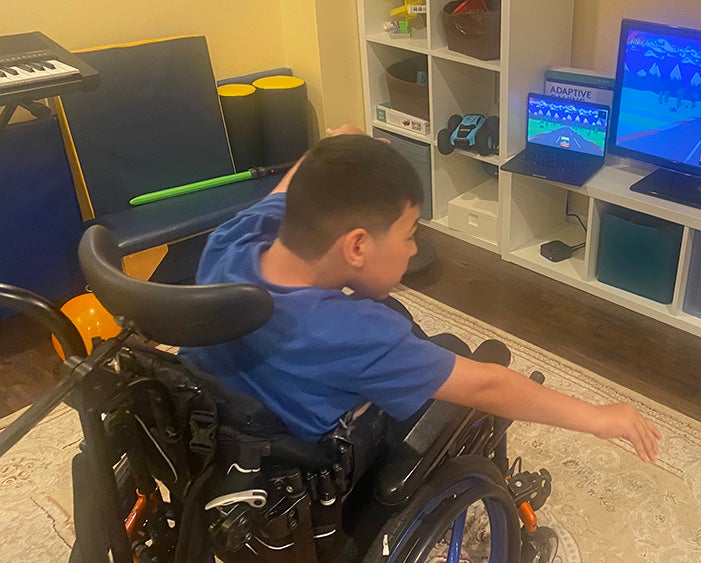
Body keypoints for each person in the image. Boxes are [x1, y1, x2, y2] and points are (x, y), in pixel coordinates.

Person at [181, 125, 660, 463]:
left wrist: (338, 147)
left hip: (229, 428)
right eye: (410, 233)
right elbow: (489, 387)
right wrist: (601, 417)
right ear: (357, 245)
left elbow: (294, 188)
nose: (414, 248)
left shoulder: (233, 242)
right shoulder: (354, 333)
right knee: (449, 354)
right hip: (320, 462)